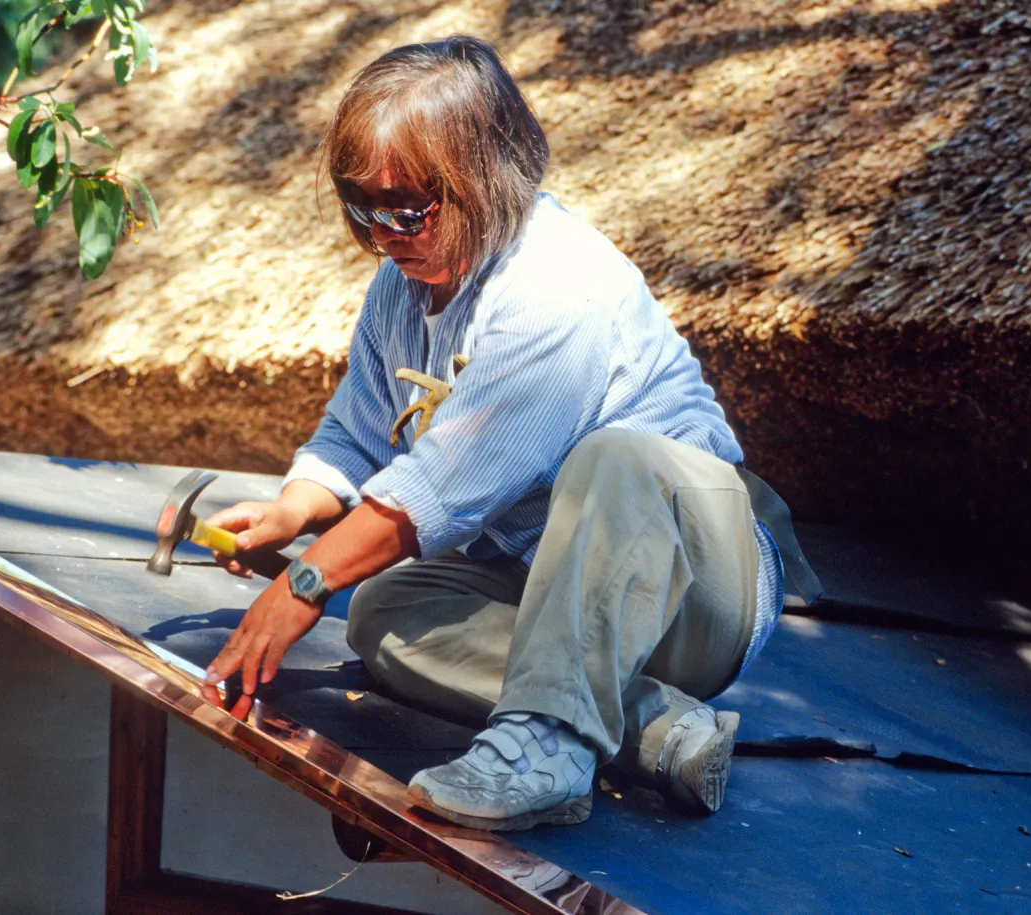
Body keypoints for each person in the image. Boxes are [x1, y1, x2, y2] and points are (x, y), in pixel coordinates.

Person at [200, 35, 815, 832]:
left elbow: (441, 484)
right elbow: (357, 434)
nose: (386, 232)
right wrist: (292, 512)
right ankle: (660, 730)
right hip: (558, 594)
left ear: (484, 178)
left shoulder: (560, 285)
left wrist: (305, 581)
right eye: (364, 208)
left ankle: (551, 753)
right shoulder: (400, 288)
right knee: (386, 610)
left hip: (696, 588)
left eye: (409, 208)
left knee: (616, 457)